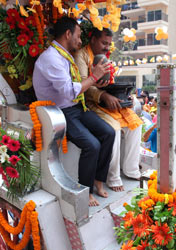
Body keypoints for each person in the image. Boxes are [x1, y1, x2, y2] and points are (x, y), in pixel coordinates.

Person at [32, 17, 115, 206]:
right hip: (60, 111)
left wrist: (96, 78)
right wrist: (94, 77)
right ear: (68, 34)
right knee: (92, 145)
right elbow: (69, 91)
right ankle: (85, 191)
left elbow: (76, 88)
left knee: (109, 132)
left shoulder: (63, 55)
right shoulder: (51, 58)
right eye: (78, 36)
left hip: (76, 107)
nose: (80, 40)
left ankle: (98, 180)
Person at [75, 27, 142, 192]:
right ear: (93, 39)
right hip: (90, 103)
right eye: (104, 43)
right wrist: (103, 96)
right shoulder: (81, 56)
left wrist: (125, 96)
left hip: (108, 101)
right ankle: (112, 177)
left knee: (136, 124)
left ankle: (131, 169)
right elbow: (83, 85)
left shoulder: (105, 57)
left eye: (109, 44)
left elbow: (109, 82)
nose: (107, 47)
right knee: (115, 128)